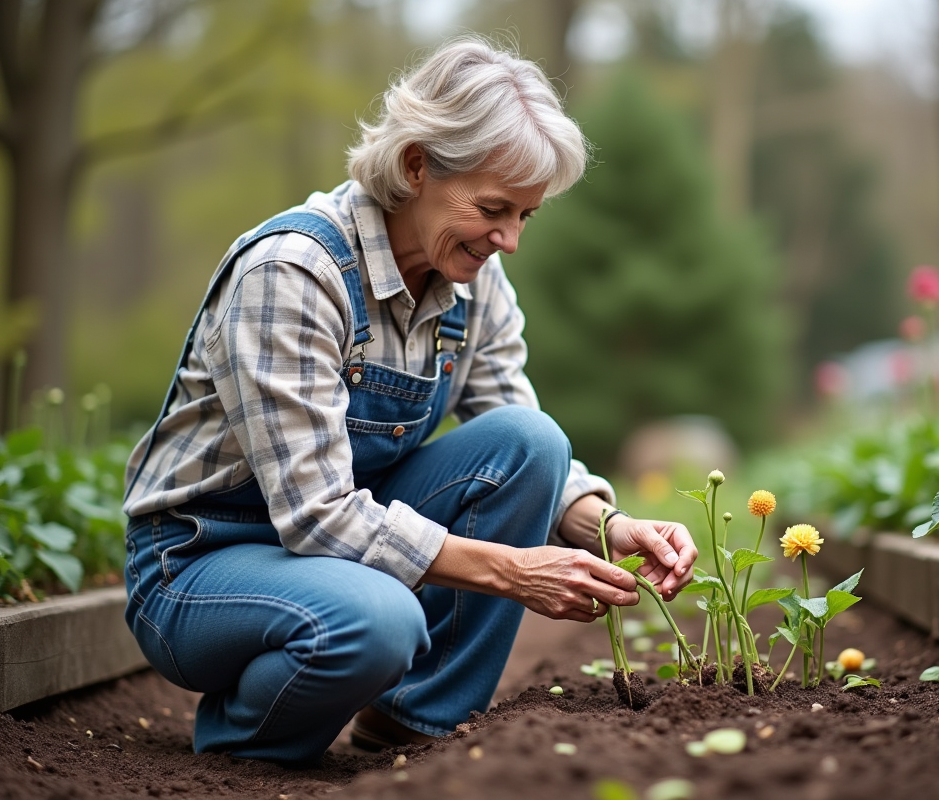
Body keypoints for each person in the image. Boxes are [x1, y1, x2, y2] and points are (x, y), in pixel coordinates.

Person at [121, 36, 697, 765]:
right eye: (494, 208)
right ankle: (247, 745)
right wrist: (514, 571)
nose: (510, 240)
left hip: (336, 554)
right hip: (202, 563)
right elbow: (317, 514)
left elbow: (513, 432)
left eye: (527, 215)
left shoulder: (472, 281)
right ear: (417, 164)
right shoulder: (294, 274)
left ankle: (414, 727)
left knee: (532, 441)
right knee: (379, 622)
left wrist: (606, 526)